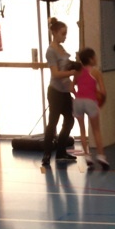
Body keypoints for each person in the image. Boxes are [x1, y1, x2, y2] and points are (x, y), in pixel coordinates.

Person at [41, 17, 78, 169]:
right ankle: (46, 154)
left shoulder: (62, 50)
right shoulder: (51, 51)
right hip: (55, 92)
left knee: (69, 120)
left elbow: (67, 71)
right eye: (63, 34)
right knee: (53, 123)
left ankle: (61, 151)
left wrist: (72, 84)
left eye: (66, 33)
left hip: (64, 92)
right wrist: (72, 72)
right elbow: (56, 74)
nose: (65, 36)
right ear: (55, 33)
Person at [71, 47, 110, 168]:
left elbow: (71, 87)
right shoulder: (96, 72)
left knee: (82, 130)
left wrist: (77, 95)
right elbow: (103, 91)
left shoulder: (77, 72)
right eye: (95, 57)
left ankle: (87, 156)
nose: (96, 59)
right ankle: (101, 156)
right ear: (91, 59)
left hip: (78, 102)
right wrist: (101, 100)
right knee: (96, 130)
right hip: (90, 101)